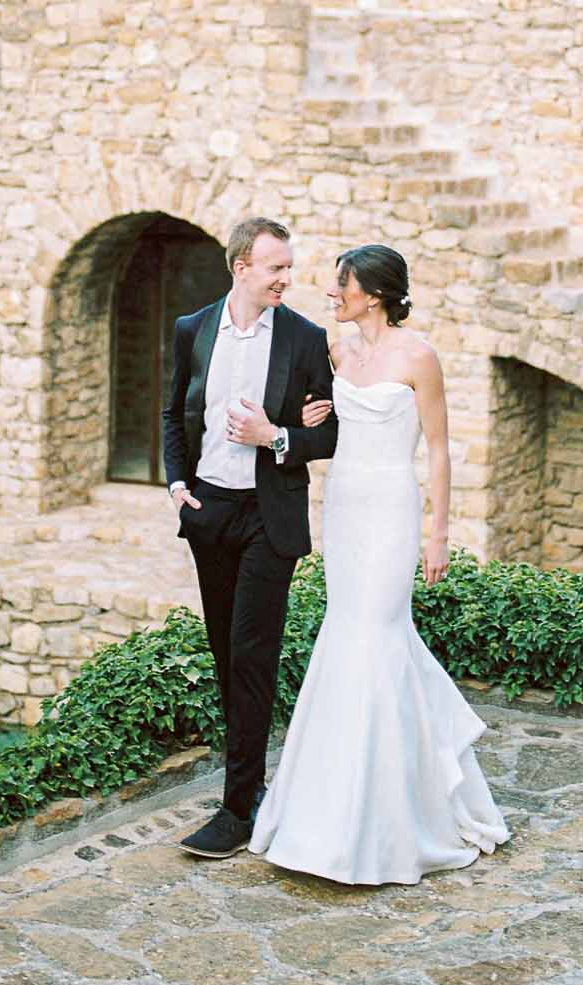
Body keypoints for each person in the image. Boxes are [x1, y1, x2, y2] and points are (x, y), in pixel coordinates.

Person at [249, 243, 508, 884]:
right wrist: (311, 417)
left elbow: (441, 452)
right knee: (346, 635)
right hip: (343, 506)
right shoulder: (336, 353)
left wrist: (438, 533)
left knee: (380, 633)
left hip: (393, 508)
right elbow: (323, 427)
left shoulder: (418, 356)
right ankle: (329, 811)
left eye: (344, 285)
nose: (332, 294)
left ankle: (401, 812)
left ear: (377, 293)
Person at [163, 216, 339, 859]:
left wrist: (278, 436)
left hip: (271, 515)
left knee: (252, 655)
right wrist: (177, 481)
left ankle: (237, 810)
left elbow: (330, 433)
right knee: (225, 655)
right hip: (209, 511)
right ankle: (252, 786)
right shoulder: (193, 329)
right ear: (242, 268)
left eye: (288, 268)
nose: (287, 279)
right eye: (276, 269)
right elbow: (173, 410)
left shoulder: (304, 339)